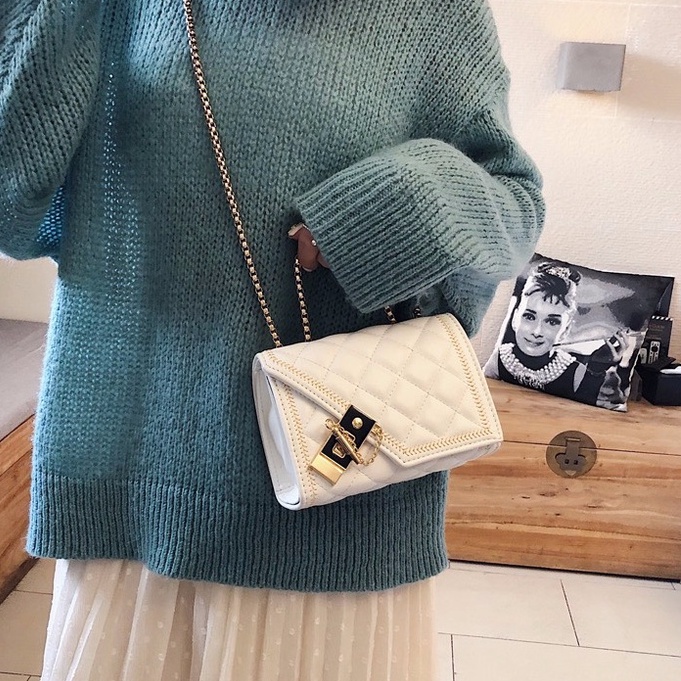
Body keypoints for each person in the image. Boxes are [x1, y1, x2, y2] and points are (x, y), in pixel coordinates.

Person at [0, 1, 545, 679]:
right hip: (135, 500)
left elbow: (514, 202)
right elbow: (11, 208)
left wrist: (384, 214)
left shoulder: (435, 14)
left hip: (338, 505)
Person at [487, 262, 630, 407]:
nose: (537, 332)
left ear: (566, 330)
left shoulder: (578, 372)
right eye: (529, 317)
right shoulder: (498, 358)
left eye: (551, 322)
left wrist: (597, 368)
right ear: (515, 318)